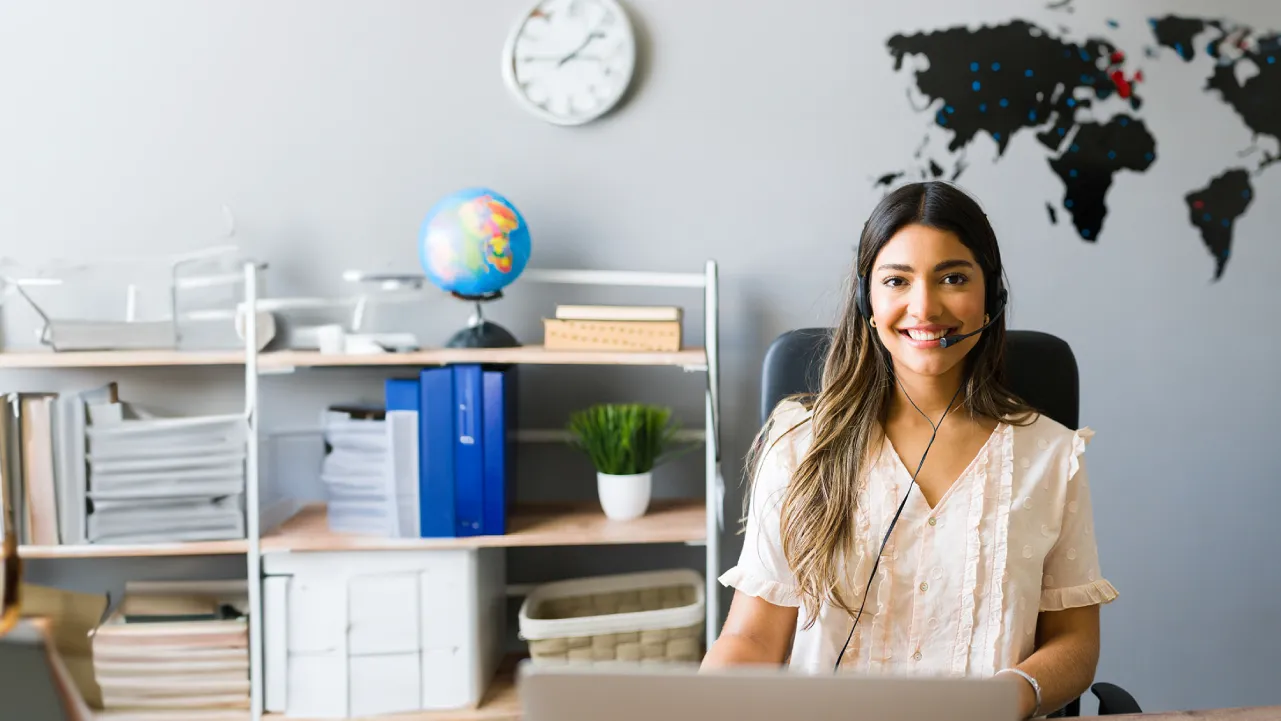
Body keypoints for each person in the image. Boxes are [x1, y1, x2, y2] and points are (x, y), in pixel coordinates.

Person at [701, 181, 1117, 719]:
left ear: (990, 295)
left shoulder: (1052, 456)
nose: (925, 306)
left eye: (953, 277)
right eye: (897, 280)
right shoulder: (801, 445)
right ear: (866, 301)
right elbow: (753, 639)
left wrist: (1009, 695)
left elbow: (1076, 644)